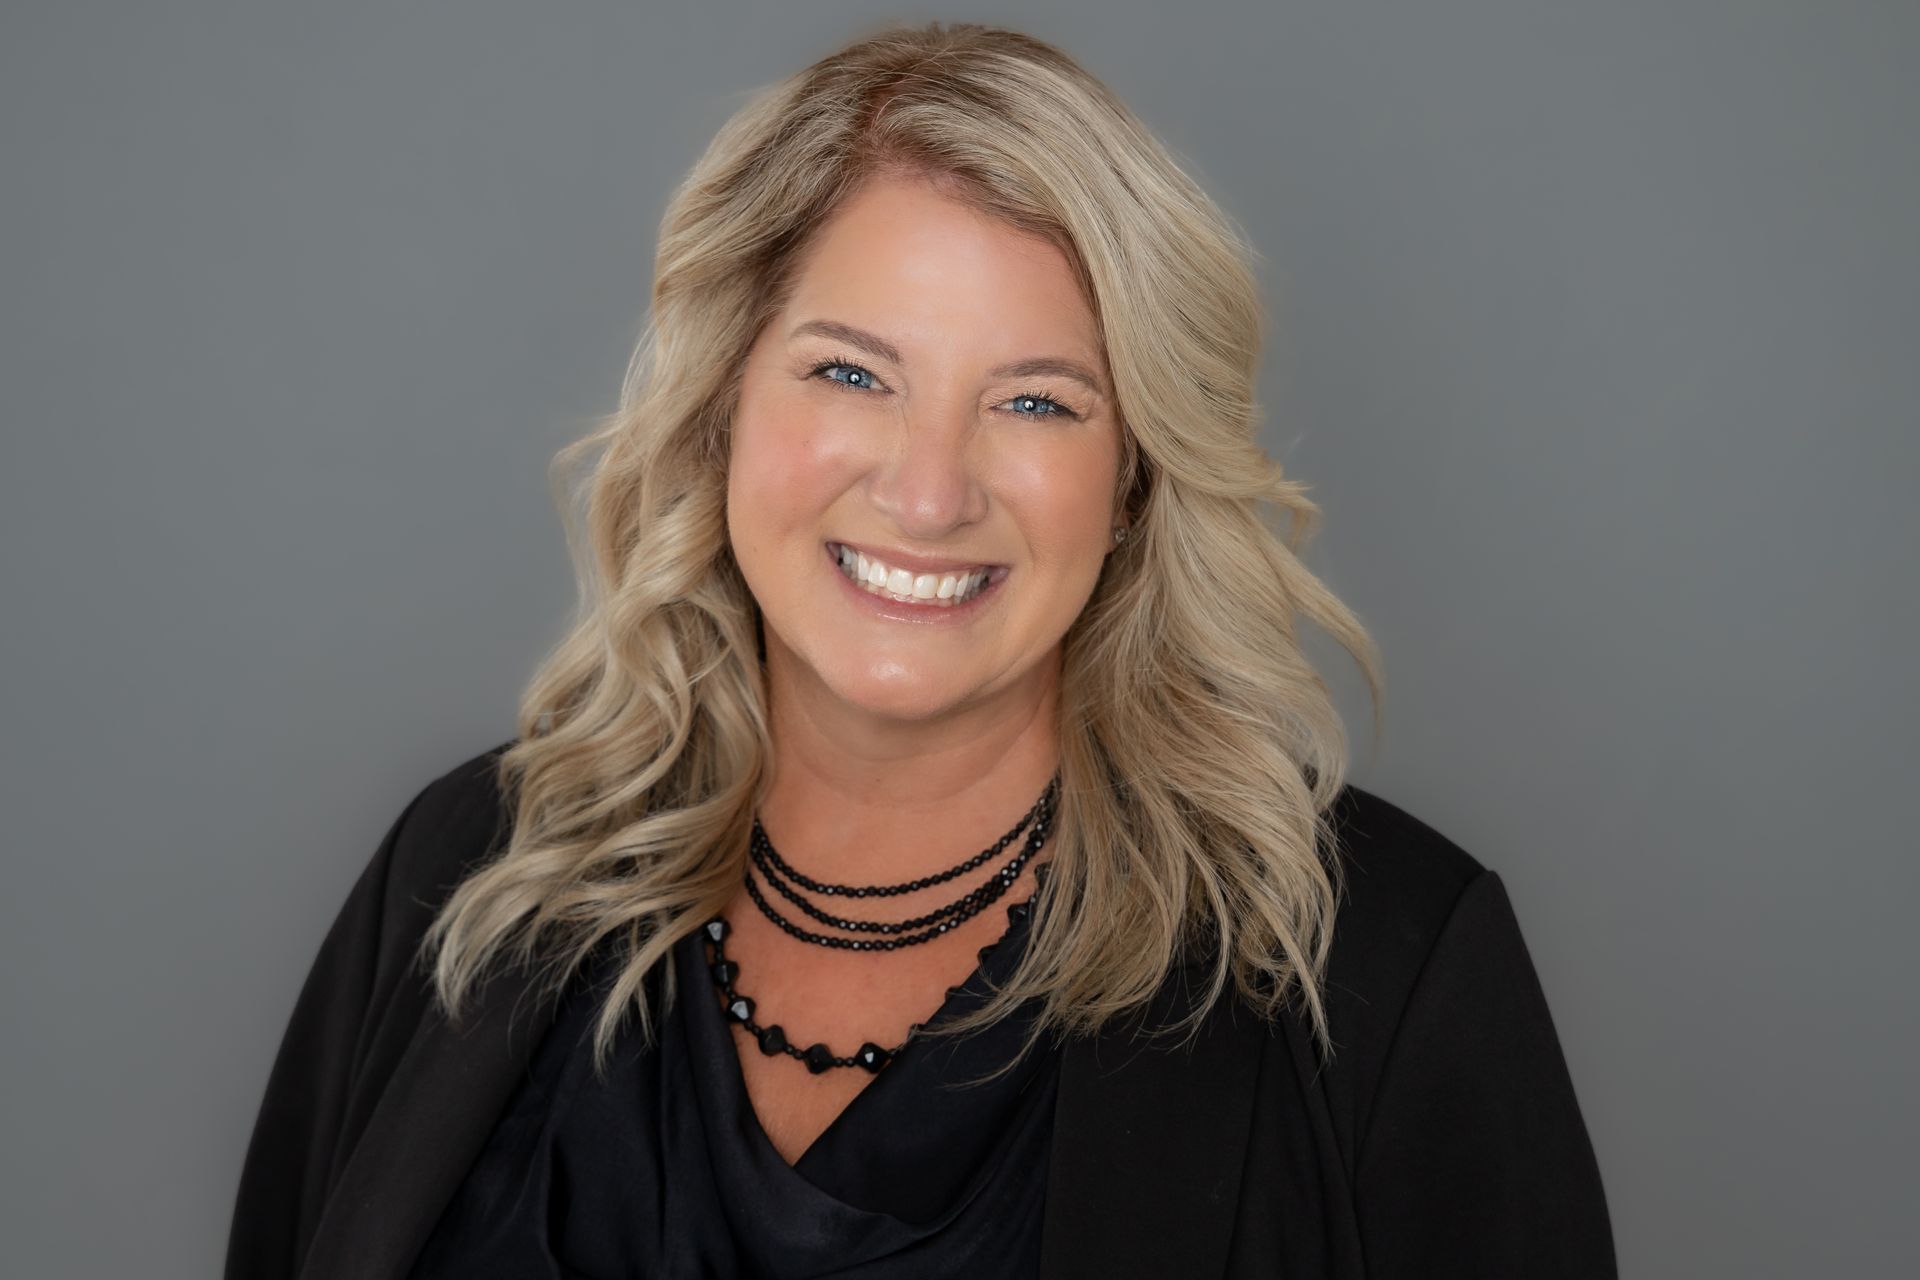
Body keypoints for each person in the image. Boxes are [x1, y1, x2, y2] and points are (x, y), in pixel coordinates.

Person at [225, 20, 1616, 1280]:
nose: (930, 490)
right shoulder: (463, 878)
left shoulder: (1387, 974)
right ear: (722, 399)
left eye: (1034, 400)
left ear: (1134, 473)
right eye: (850, 373)